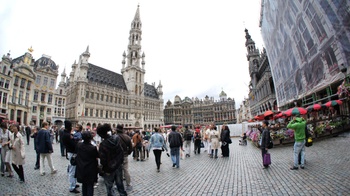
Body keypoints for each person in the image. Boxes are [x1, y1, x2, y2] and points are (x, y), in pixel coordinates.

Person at [97, 123, 127, 196]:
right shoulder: (116, 139)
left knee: (109, 186)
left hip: (108, 168)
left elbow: (103, 159)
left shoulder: (103, 144)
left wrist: (104, 167)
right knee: (120, 185)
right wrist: (119, 162)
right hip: (118, 166)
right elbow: (121, 152)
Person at [76, 131, 98, 196]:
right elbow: (96, 156)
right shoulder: (93, 148)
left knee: (84, 184)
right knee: (90, 185)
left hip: (81, 167)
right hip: (90, 169)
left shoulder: (79, 145)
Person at [62, 120, 80, 194]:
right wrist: (77, 142)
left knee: (73, 169)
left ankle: (74, 183)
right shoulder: (67, 135)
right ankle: (72, 187)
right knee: (72, 170)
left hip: (70, 152)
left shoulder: (65, 133)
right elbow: (73, 144)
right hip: (72, 153)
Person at [116, 124, 133, 191]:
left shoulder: (114, 137)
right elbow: (131, 148)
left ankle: (118, 184)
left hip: (116, 156)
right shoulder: (127, 137)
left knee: (117, 170)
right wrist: (127, 153)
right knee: (126, 169)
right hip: (124, 155)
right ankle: (128, 184)